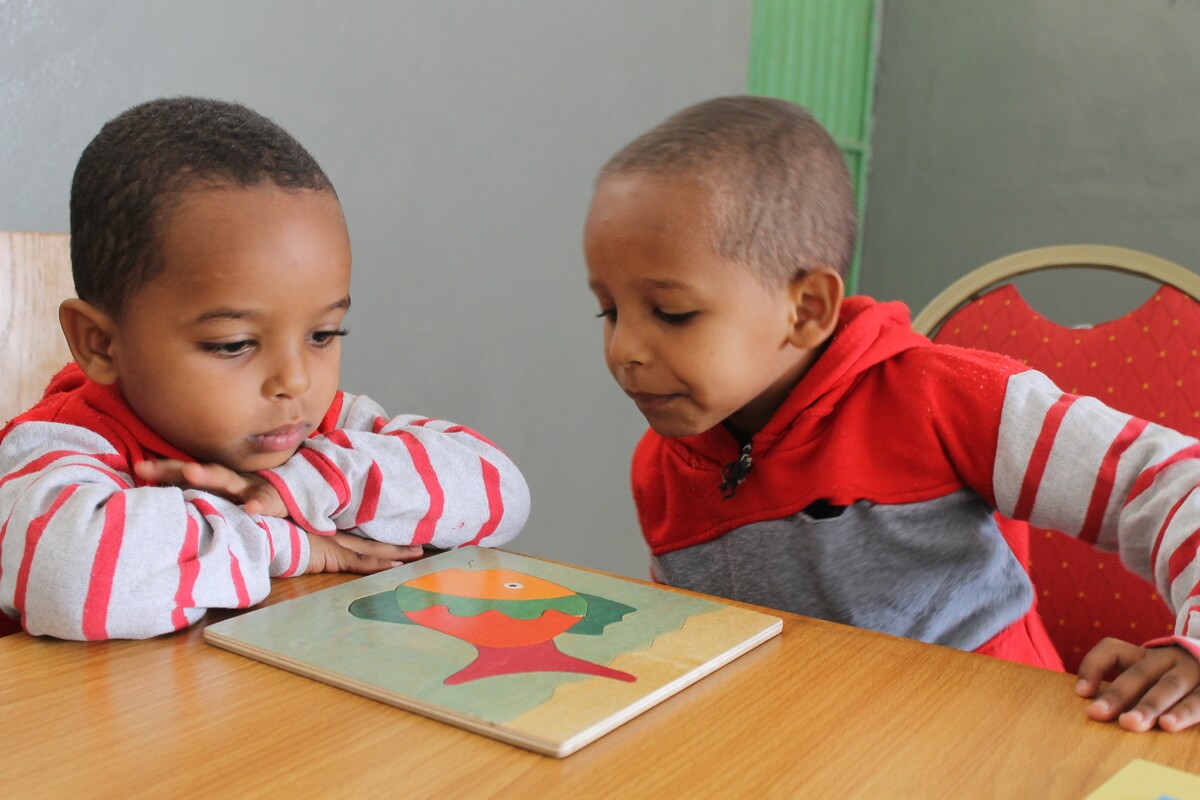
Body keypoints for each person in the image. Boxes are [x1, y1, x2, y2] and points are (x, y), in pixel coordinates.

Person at [582, 95, 1200, 733]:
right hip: (808, 756)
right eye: (608, 311)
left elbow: (1172, 482)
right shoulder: (660, 468)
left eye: (671, 313)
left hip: (993, 747)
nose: (624, 350)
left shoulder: (941, 399)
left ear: (807, 309)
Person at [0, 97, 530, 641]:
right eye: (234, 344)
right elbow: (76, 584)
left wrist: (306, 485)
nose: (296, 381)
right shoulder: (58, 446)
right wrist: (289, 542)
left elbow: (501, 494)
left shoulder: (323, 434)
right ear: (102, 345)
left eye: (322, 334)